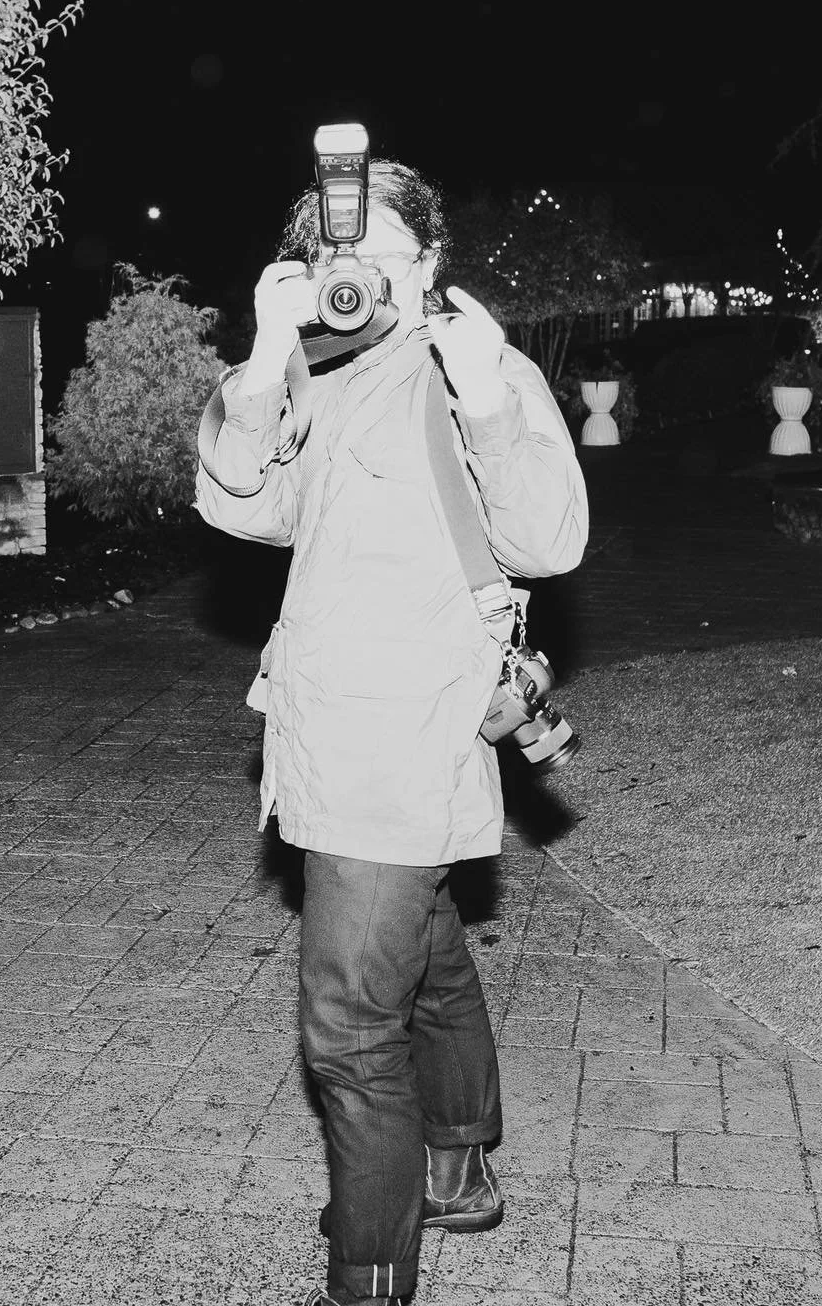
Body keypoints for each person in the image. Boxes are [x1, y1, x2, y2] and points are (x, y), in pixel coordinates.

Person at [194, 160, 589, 1306]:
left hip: (399, 738)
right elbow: (239, 504)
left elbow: (550, 538)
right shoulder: (314, 369)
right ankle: (455, 1167)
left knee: (346, 1026)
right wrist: (263, 359)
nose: (357, 275)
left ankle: (369, 1273)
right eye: (334, 256)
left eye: (383, 255)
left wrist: (487, 395)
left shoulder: (477, 369)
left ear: (428, 264)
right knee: (424, 949)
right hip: (323, 728)